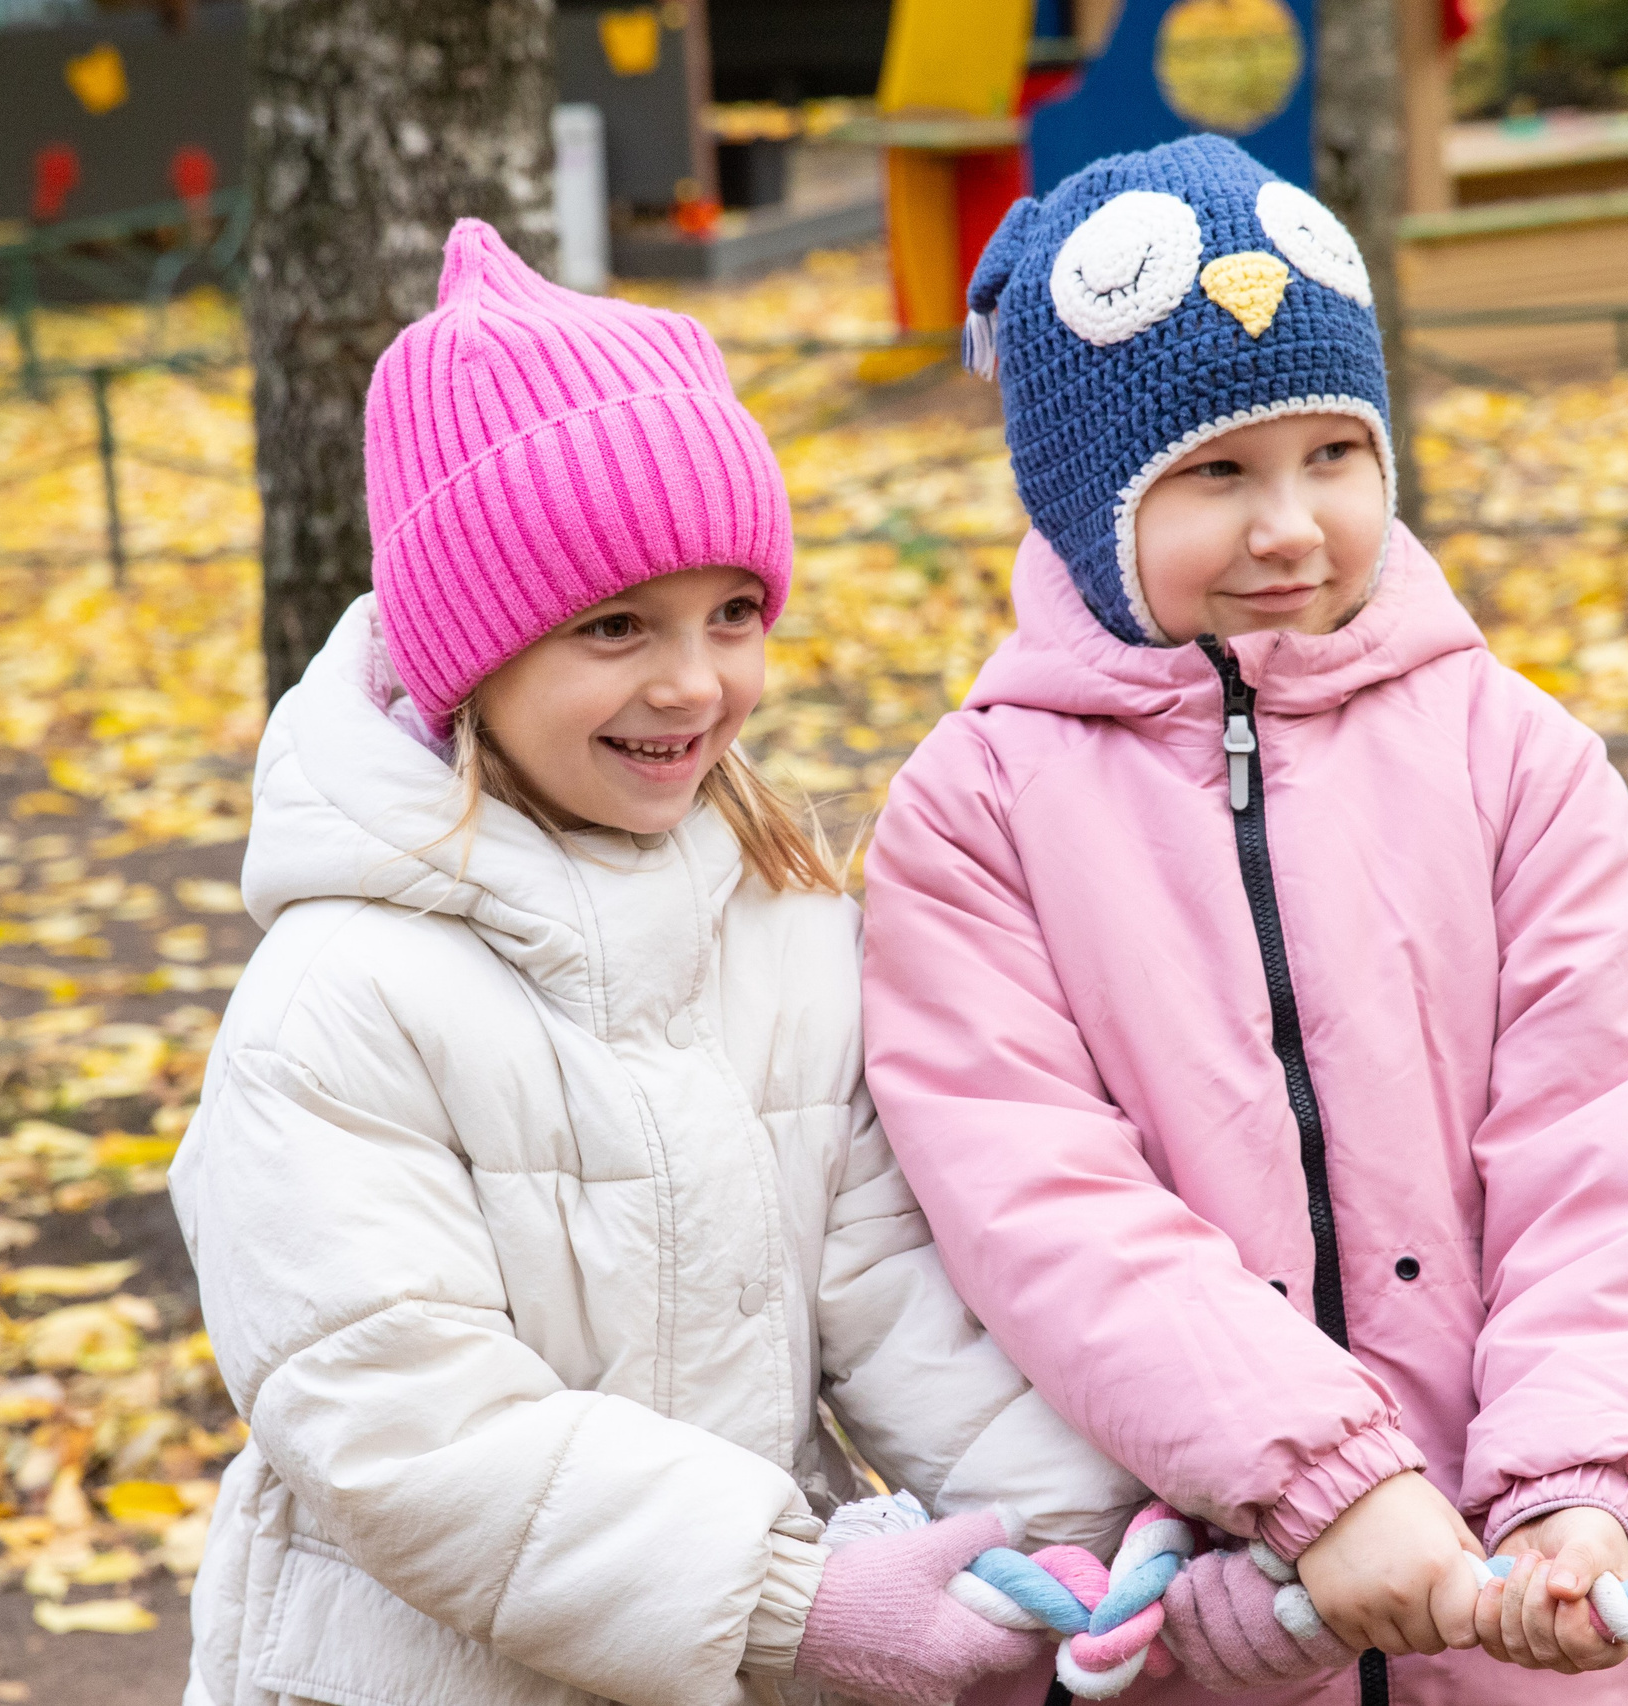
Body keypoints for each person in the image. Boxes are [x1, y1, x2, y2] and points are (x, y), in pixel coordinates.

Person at [170, 221, 1146, 1706]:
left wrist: (1095, 1540)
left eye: (732, 614)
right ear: (469, 656)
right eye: (615, 626)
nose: (692, 683)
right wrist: (789, 1593)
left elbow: (890, 1293)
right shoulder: (339, 999)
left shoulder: (787, 933)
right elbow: (395, 1413)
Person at [860, 136, 1628, 1706]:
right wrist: (1321, 1478)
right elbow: (1040, 1201)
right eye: (1217, 473)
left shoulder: (1513, 759)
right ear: (1088, 502)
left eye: (1332, 455)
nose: (1290, 527)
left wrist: (1581, 1481)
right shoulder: (976, 811)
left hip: (1526, 1608)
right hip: (1216, 1621)